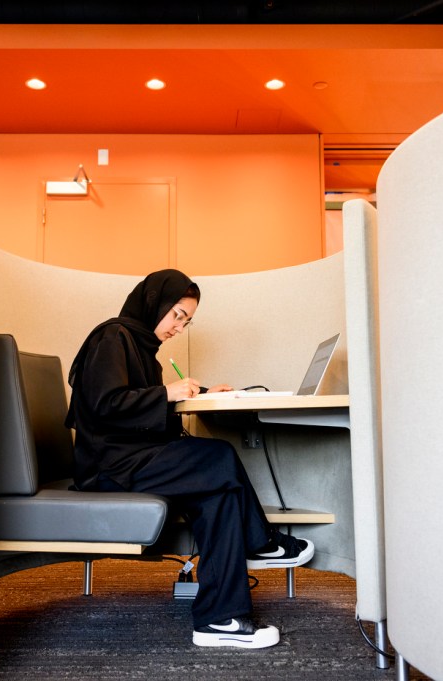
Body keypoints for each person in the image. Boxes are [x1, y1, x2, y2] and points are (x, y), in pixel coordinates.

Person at [65, 268, 314, 649]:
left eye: (187, 320)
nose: (180, 327)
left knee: (218, 494)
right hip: (109, 466)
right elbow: (103, 405)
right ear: (155, 303)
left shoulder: (142, 348)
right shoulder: (112, 337)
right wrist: (165, 394)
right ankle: (259, 542)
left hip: (132, 457)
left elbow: (139, 413)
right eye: (178, 314)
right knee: (218, 457)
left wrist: (198, 394)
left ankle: (219, 619)